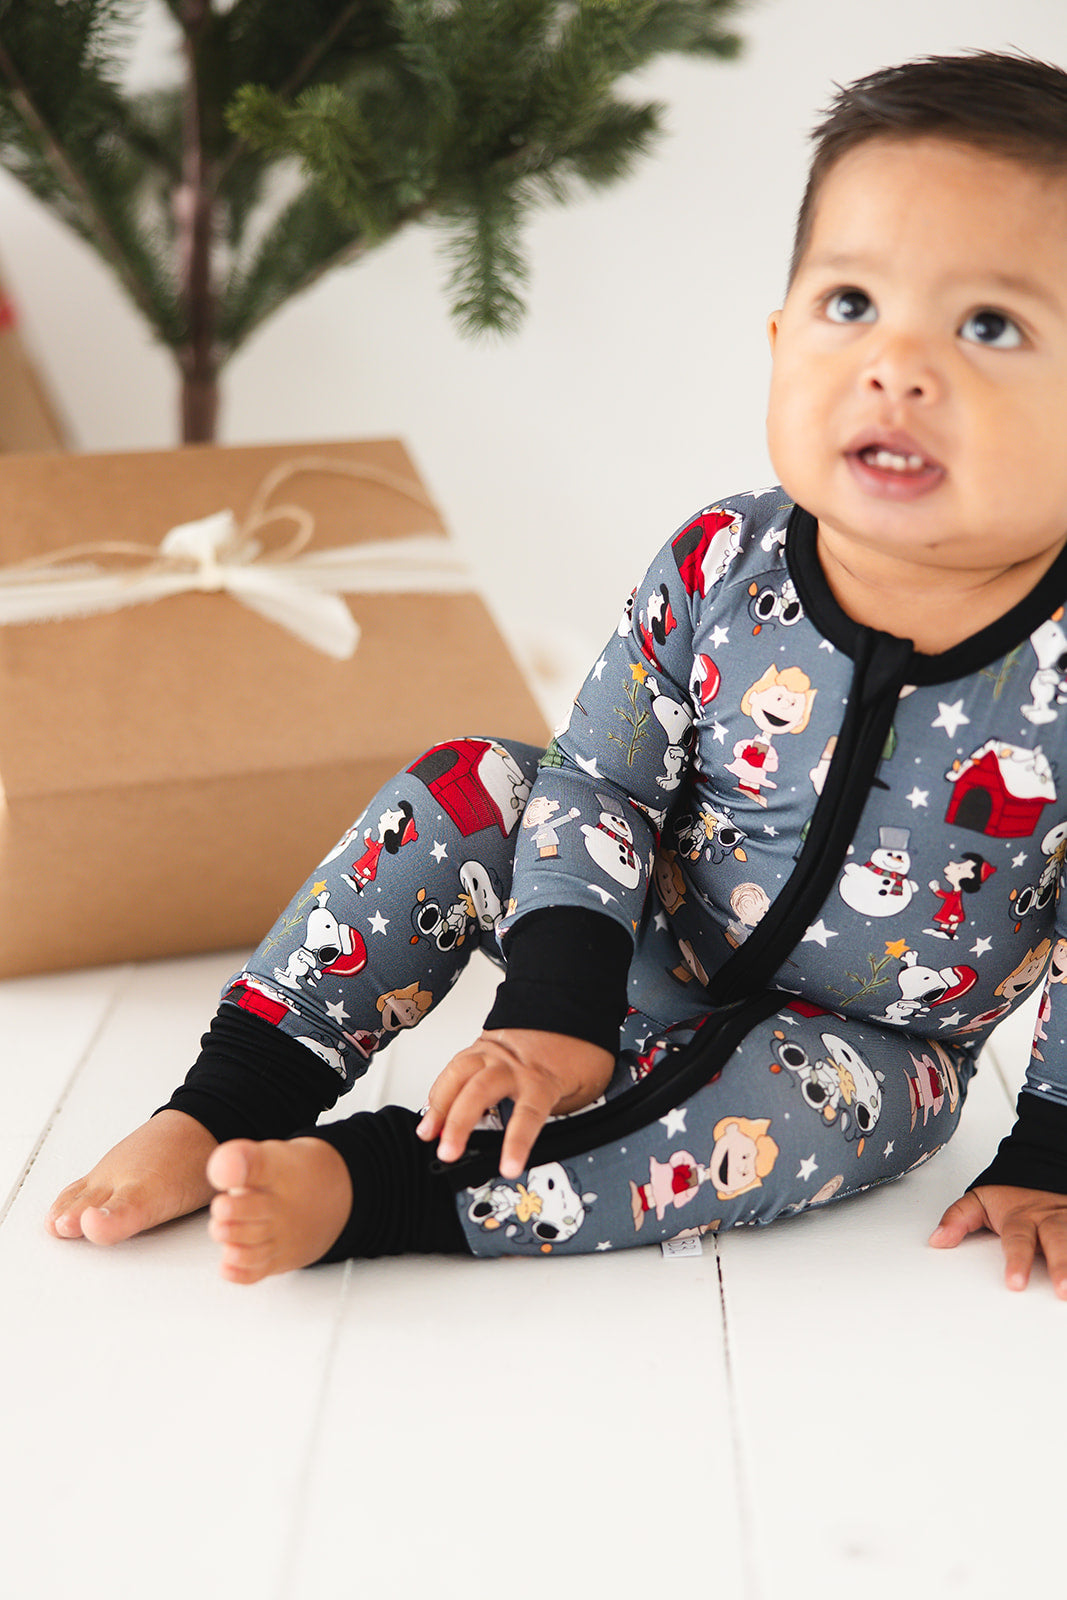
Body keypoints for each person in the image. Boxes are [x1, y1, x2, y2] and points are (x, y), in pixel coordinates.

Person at [47, 48, 1067, 1294]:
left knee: (759, 1119)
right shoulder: (721, 560)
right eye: (850, 303)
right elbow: (602, 786)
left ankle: (385, 1187)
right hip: (624, 926)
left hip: (863, 1046)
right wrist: (557, 1003)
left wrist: (1051, 1149)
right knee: (477, 782)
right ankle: (230, 1099)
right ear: (777, 334)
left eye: (988, 325)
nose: (896, 365)